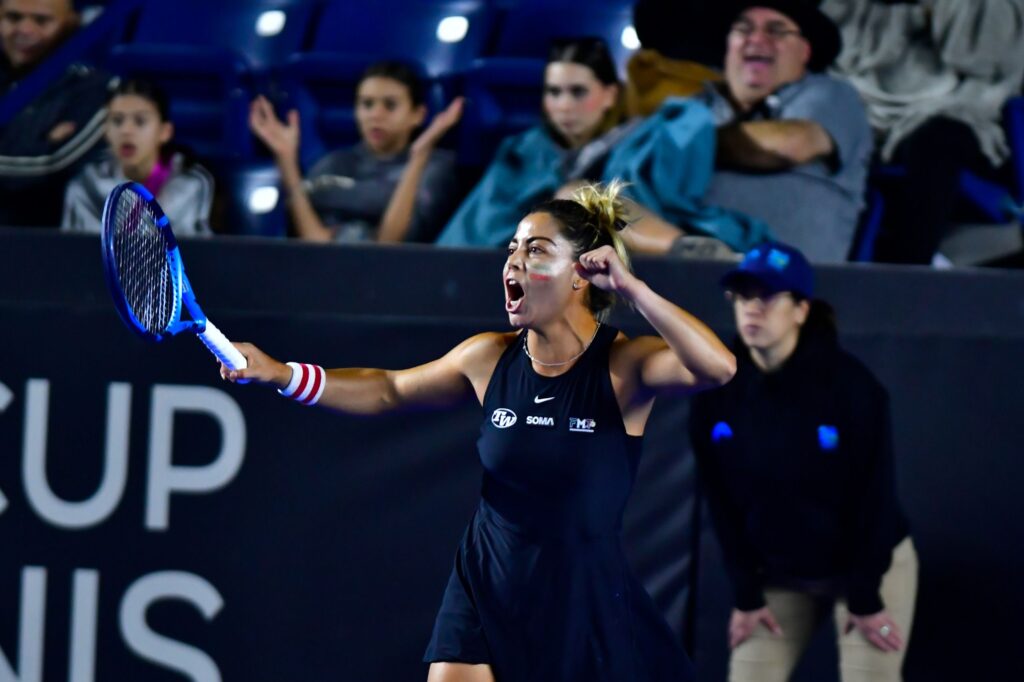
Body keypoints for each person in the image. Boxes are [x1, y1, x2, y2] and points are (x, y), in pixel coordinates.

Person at [220, 182, 738, 682]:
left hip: (583, 599)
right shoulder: (488, 357)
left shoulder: (624, 365)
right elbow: (389, 390)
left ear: (582, 274)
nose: (513, 262)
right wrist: (282, 374)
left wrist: (631, 288)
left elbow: (719, 368)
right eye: (512, 249)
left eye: (536, 250)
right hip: (487, 580)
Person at [688, 241, 917, 682]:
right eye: (743, 296)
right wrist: (747, 594)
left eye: (768, 296)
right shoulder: (717, 393)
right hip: (780, 572)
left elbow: (875, 498)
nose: (752, 309)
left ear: (801, 310)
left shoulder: (853, 389)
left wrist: (866, 597)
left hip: (867, 568)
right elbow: (720, 502)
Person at [822, 0, 1024, 265]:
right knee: (821, 123)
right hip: (865, 101)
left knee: (938, 142)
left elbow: (991, 58)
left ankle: (907, 272)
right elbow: (833, 45)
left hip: (958, 108)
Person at [692, 1, 873, 263]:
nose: (756, 39)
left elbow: (791, 143)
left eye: (776, 31)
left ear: (805, 51)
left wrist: (683, 143)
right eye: (743, 29)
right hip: (674, 272)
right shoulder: (698, 103)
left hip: (781, 280)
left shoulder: (832, 94)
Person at [435, 37, 637, 248]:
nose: (564, 106)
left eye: (578, 92)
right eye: (554, 92)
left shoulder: (633, 152)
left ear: (610, 95)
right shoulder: (520, 150)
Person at [249, 60, 462, 244]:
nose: (375, 115)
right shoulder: (333, 163)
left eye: (390, 105)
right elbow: (316, 244)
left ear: (418, 114)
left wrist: (419, 155)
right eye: (367, 104)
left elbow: (389, 247)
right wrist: (286, 160)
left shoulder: (435, 168)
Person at [0, 0, 113, 227]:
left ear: (71, 23)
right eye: (13, 18)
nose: (25, 29)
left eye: (41, 20)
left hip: (51, 238)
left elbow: (50, 163)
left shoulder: (93, 89)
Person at [62, 78, 214, 235]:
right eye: (117, 121)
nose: (126, 130)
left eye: (140, 121)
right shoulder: (86, 184)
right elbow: (68, 246)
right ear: (106, 130)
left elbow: (198, 246)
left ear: (165, 132)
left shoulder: (191, 183)